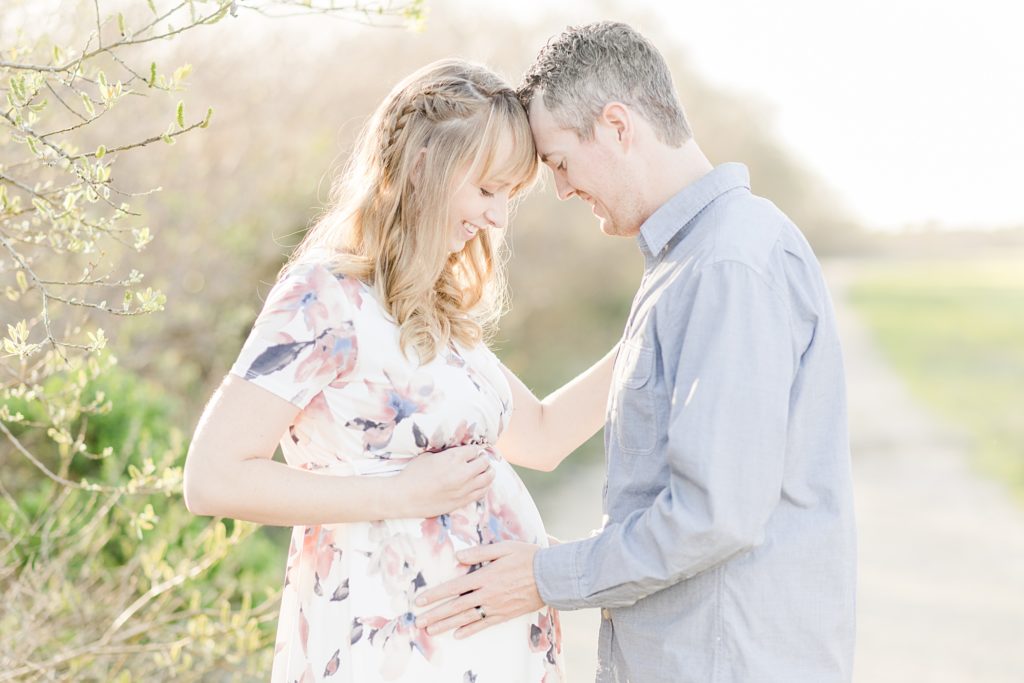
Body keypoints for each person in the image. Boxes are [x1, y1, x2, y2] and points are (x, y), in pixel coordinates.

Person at [415, 23, 857, 683]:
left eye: (560, 161)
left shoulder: (728, 263)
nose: (560, 188)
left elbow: (716, 513)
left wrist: (546, 577)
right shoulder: (691, 262)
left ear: (618, 127)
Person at [183, 59, 617, 683]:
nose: (497, 218)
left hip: (491, 654)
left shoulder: (433, 312)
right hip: (384, 646)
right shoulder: (324, 295)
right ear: (424, 168)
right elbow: (212, 478)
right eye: (487, 189)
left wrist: (651, 330)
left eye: (507, 198)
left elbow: (544, 438)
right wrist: (400, 494)